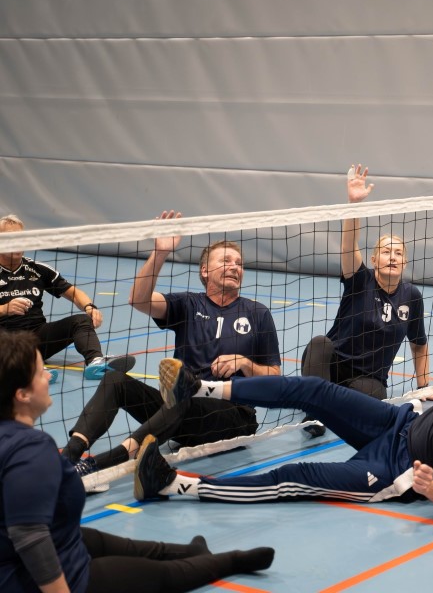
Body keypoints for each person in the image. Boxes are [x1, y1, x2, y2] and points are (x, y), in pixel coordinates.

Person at [133, 195, 433, 517]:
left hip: (396, 469)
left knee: (297, 474)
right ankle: (202, 386)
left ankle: (176, 485)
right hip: (400, 423)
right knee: (311, 388)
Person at [0, 329, 275, 593]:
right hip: (58, 579)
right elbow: (30, 536)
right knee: (164, 577)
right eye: (40, 373)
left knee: (104, 541)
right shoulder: (31, 450)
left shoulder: (12, 438)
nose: (48, 376)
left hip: (55, 541)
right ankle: (229, 561)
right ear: (22, 395)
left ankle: (190, 552)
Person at [62, 212, 282, 485]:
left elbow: (275, 378)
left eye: (239, 263)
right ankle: (69, 457)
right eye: (225, 261)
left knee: (182, 394)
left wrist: (245, 364)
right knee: (115, 381)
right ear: (205, 271)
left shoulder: (257, 313)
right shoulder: (189, 304)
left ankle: (101, 464)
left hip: (233, 417)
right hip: (179, 411)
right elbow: (138, 300)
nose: (235, 266)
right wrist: (160, 252)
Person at [299, 165, 431, 438]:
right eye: (386, 252)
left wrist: (424, 388)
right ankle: (316, 413)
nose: (392, 257)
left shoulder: (411, 297)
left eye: (398, 253)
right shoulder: (360, 280)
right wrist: (353, 206)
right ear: (374, 260)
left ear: (405, 262)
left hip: (368, 379)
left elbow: (419, 346)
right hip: (331, 365)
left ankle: (330, 402)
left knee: (373, 398)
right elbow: (349, 245)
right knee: (318, 344)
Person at [0, 214, 134, 382]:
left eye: (21, 238)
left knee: (81, 321)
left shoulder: (37, 269)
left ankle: (95, 362)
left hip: (37, 337)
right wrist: (4, 309)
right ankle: (31, 367)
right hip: (5, 340)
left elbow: (72, 292)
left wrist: (89, 307)